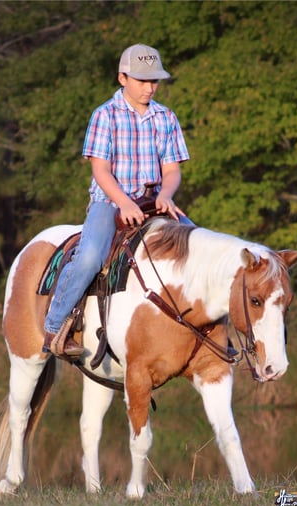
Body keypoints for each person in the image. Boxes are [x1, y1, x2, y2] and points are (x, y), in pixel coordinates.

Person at [43, 43, 192, 357]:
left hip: (153, 200)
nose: (149, 87)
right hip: (109, 202)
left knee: (197, 245)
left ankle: (209, 332)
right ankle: (55, 327)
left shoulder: (166, 117)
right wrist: (123, 202)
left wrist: (166, 194)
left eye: (154, 81)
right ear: (122, 78)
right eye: (141, 81)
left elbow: (172, 169)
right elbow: (101, 170)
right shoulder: (104, 115)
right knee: (90, 257)